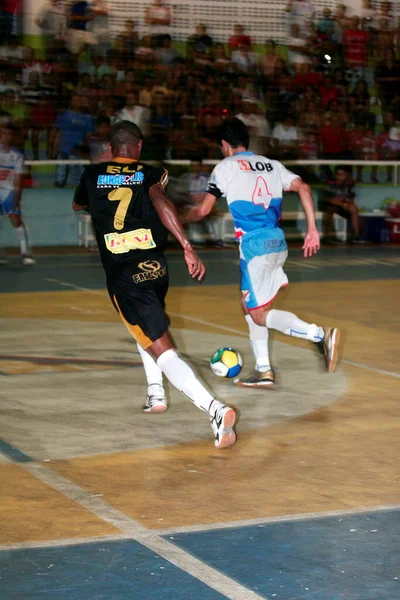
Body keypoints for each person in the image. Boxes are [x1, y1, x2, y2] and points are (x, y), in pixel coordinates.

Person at [72, 120, 236, 449]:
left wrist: (103, 180)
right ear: (139, 147)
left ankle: (215, 410)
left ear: (110, 147)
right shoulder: (151, 173)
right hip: (156, 267)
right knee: (144, 328)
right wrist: (186, 246)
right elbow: (161, 202)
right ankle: (155, 394)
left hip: (123, 271)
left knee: (160, 346)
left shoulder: (91, 175)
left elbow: (79, 204)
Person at [182, 118, 340, 388]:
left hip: (254, 246)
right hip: (277, 241)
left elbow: (204, 210)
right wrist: (312, 229)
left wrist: (180, 218)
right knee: (249, 305)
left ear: (224, 145)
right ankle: (264, 370)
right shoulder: (271, 164)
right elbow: (303, 187)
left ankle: (318, 335)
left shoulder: (226, 167)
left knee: (258, 313)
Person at [0, 123, 35, 266]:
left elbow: (19, 179)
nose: (6, 137)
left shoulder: (17, 155)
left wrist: (16, 198)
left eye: (9, 134)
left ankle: (25, 252)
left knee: (16, 220)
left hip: (9, 192)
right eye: (4, 133)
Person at [322, 166, 364, 242]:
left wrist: (347, 203)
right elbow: (330, 200)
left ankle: (356, 235)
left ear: (346, 175)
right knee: (328, 212)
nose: (340, 177)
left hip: (343, 205)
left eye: (343, 174)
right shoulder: (329, 183)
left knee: (353, 208)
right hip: (329, 206)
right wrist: (342, 204)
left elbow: (351, 198)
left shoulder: (349, 183)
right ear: (335, 175)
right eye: (338, 174)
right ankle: (329, 237)